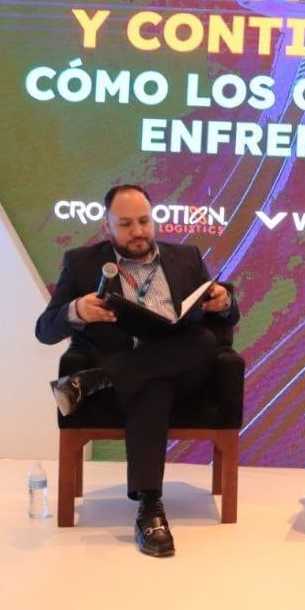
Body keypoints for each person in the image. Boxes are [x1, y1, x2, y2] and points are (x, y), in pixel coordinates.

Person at [36, 184, 238, 557]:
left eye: (144, 221)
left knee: (205, 341)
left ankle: (94, 381)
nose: (138, 231)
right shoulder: (81, 263)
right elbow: (45, 330)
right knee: (152, 386)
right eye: (126, 224)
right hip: (135, 385)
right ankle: (150, 507)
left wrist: (224, 302)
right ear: (106, 226)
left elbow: (223, 315)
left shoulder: (186, 257)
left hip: (184, 372)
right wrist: (75, 311)